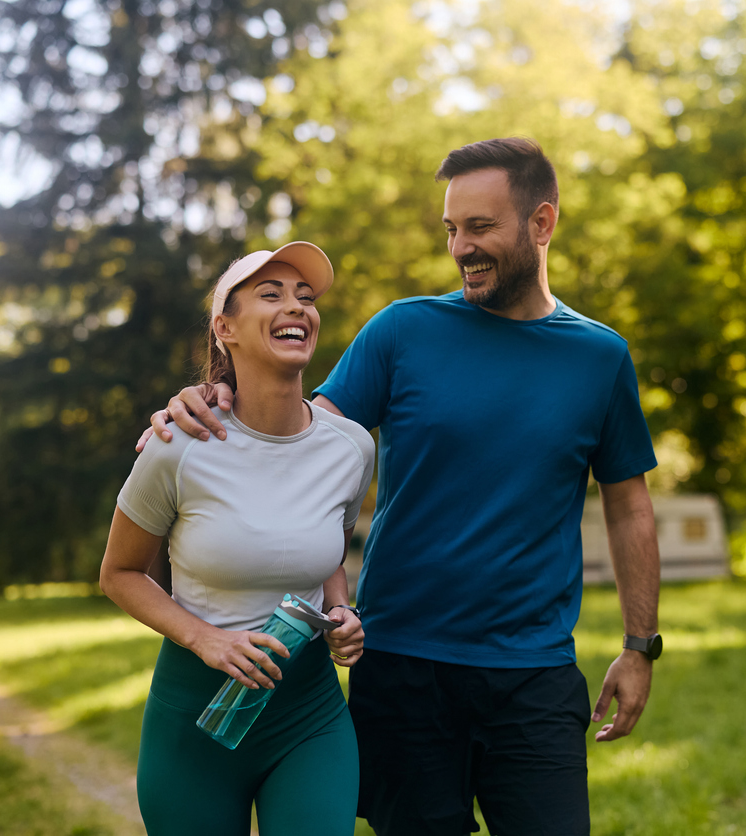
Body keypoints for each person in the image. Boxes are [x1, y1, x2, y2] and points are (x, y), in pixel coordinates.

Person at [142, 138, 662, 835]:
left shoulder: (600, 358)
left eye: (480, 228)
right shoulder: (403, 332)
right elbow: (292, 443)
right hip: (403, 672)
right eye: (452, 229)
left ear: (541, 224)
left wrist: (639, 645)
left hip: (534, 676)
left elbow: (629, 507)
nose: (461, 247)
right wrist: (208, 399)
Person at [101, 242, 375, 836]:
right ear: (226, 328)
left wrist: (340, 609)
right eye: (271, 295)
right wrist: (207, 641)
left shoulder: (352, 447)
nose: (296, 306)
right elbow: (119, 574)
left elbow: (325, 546)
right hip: (195, 715)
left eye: (305, 297)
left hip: (308, 714)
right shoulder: (178, 445)